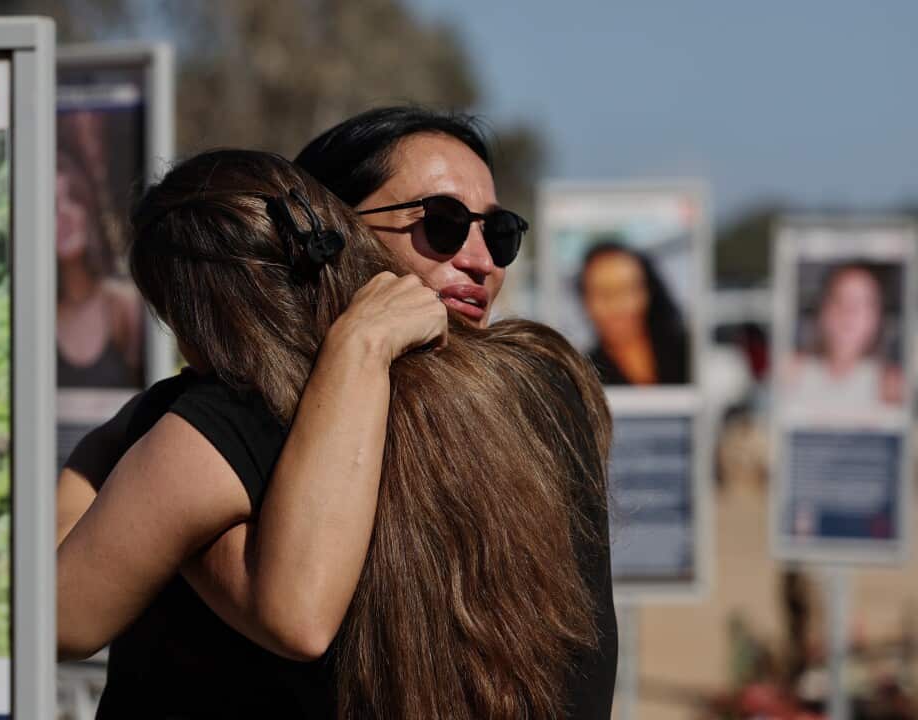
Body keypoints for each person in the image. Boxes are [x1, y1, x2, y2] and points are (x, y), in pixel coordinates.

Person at [59, 148, 615, 718]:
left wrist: (131, 431)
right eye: (442, 225)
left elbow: (61, 616)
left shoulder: (213, 425)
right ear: (339, 224)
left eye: (499, 233)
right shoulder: (542, 376)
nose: (480, 260)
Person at [56, 124, 144, 389]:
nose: (66, 213)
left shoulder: (123, 305)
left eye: (72, 197)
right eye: (51, 206)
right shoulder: (36, 315)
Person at [785, 262, 903, 408]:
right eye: (839, 299)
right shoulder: (792, 375)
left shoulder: (891, 387)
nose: (848, 313)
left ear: (876, 317)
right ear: (822, 311)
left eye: (861, 303)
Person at [577, 238, 689, 385]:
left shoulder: (686, 349)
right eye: (603, 294)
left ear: (648, 291)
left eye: (627, 290)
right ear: (585, 300)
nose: (616, 306)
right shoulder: (583, 374)